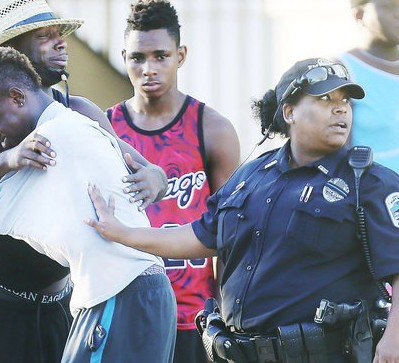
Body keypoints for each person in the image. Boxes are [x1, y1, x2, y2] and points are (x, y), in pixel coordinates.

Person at [86, 58, 399, 362]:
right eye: (325, 98)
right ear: (289, 111)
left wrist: (395, 339)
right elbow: (202, 235)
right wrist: (122, 233)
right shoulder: (252, 175)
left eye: (345, 99)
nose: (341, 107)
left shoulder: (368, 182)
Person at [0, 1, 167, 362]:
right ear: (10, 52)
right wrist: (7, 159)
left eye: (59, 35)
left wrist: (155, 178)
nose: (61, 43)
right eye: (45, 36)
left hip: (62, 307)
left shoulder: (78, 112)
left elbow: (148, 172)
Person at [106, 1, 240, 362]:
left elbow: (230, 233)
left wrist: (228, 312)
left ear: (180, 55)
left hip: (194, 317)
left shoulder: (212, 128)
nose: (149, 68)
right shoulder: (105, 130)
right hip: (124, 310)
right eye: (137, 57)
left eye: (160, 56)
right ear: (123, 57)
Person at [338, 0, 399, 173]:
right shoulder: (343, 71)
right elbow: (338, 157)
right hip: (372, 195)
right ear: (359, 15)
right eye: (388, 6)